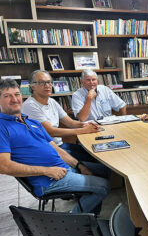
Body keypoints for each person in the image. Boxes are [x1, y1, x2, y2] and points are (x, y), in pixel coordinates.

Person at [0, 79, 111, 214]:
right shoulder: (2, 127)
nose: (14, 99)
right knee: (103, 186)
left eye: (16, 94)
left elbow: (57, 149)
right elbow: (3, 166)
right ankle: (75, 221)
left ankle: (90, 213)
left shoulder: (32, 122)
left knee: (107, 169)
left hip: (64, 169)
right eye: (7, 96)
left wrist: (79, 166)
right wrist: (47, 171)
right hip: (48, 180)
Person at [22, 70, 100, 162]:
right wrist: (83, 130)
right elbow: (51, 132)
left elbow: (71, 123)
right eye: (42, 82)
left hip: (61, 145)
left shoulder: (51, 101)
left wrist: (88, 125)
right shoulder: (30, 105)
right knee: (96, 164)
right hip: (47, 151)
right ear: (32, 86)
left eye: (49, 82)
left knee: (95, 153)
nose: (47, 85)